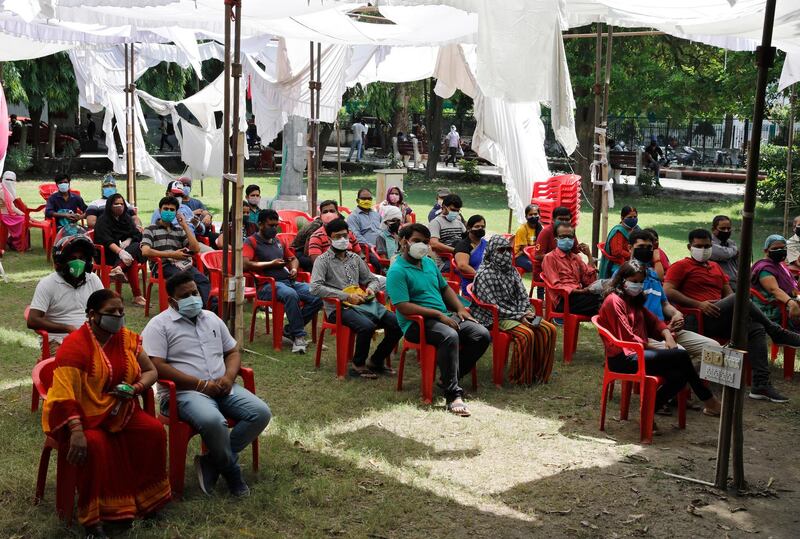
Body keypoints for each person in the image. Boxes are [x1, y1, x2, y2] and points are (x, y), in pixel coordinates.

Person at [42, 289, 170, 537]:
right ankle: (94, 520)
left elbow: (151, 371)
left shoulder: (125, 338)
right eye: (111, 312)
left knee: (153, 431)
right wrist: (77, 431)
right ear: (92, 315)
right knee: (95, 445)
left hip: (121, 409)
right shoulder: (75, 346)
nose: (118, 317)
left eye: (121, 311)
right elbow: (63, 394)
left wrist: (136, 387)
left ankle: (147, 502)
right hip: (83, 417)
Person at [142, 272, 271, 497]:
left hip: (223, 386)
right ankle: (232, 473)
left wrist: (229, 377)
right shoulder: (159, 325)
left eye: (195, 292)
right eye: (186, 295)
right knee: (214, 421)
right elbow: (156, 365)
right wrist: (201, 385)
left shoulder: (211, 318)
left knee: (260, 413)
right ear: (172, 301)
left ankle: (211, 461)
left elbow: (232, 351)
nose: (194, 298)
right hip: (184, 393)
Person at [664, 228, 800, 403]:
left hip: (719, 314)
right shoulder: (681, 266)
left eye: (707, 246)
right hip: (696, 317)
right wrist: (699, 304)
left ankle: (761, 384)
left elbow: (728, 294)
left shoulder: (715, 267)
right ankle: (776, 331)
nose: (703, 249)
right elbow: (668, 290)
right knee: (739, 297)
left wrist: (728, 305)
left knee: (754, 327)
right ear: (689, 246)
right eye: (699, 246)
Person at [598, 261, 722, 428]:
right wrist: (660, 347)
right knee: (681, 355)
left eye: (640, 282)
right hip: (624, 357)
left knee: (679, 375)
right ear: (622, 280)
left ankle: (647, 411)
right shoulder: (614, 301)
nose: (637, 285)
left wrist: (668, 337)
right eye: (633, 281)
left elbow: (655, 322)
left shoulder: (634, 300)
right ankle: (709, 400)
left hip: (640, 353)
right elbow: (628, 339)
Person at [386, 224, 491, 416]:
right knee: (449, 336)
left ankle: (448, 377)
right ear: (404, 242)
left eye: (426, 242)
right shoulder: (397, 271)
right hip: (415, 323)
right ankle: (453, 394)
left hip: (442, 316)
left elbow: (444, 289)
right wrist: (438, 315)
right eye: (417, 241)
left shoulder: (428, 263)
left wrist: (459, 308)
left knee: (481, 334)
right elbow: (402, 306)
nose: (423, 246)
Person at [310, 218, 403, 378]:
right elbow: (315, 287)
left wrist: (371, 290)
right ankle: (358, 364)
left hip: (362, 304)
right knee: (366, 326)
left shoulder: (355, 258)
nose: (342, 240)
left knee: (397, 323)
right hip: (339, 309)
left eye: (345, 235)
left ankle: (376, 360)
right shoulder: (322, 260)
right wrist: (346, 296)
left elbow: (372, 279)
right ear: (329, 238)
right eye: (338, 236)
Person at [628, 230, 717, 374]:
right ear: (630, 248)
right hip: (646, 334)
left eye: (649, 248)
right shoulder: (626, 278)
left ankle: (682, 384)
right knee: (680, 355)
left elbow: (664, 303)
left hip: (669, 329)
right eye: (641, 247)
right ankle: (679, 383)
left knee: (715, 349)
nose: (646, 251)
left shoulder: (652, 274)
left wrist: (676, 314)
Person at [471, 236, 557, 384]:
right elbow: (493, 306)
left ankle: (540, 374)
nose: (505, 254)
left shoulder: (512, 271)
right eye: (500, 250)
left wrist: (525, 311)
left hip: (516, 312)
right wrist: (520, 315)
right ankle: (519, 378)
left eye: (508, 250)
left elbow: (523, 295)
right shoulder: (484, 274)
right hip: (494, 317)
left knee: (549, 329)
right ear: (491, 251)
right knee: (526, 335)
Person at [243, 209, 323, 354]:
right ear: (260, 224)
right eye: (270, 226)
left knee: (317, 295)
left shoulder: (278, 241)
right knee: (290, 294)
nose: (274, 229)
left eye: (276, 226)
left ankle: (290, 330)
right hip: (267, 286)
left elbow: (293, 259)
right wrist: (270, 264)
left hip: (288, 281)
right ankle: (299, 336)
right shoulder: (251, 241)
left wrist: (293, 269)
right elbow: (245, 264)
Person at [28, 235, 104, 349]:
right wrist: (67, 328)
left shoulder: (93, 279)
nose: (78, 262)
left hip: (90, 338)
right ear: (61, 261)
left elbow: (104, 308)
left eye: (81, 258)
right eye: (72, 258)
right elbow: (33, 320)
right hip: (58, 340)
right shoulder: (48, 283)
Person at [141, 196, 210, 306]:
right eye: (166, 209)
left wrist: (185, 226)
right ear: (160, 210)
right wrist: (172, 254)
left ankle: (206, 309)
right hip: (162, 266)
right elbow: (145, 251)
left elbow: (196, 249)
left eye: (172, 210)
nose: (168, 212)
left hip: (182, 265)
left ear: (176, 212)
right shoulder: (150, 229)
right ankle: (187, 307)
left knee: (202, 280)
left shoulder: (179, 230)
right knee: (185, 280)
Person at [94, 193, 147, 305]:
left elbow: (136, 234)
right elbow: (106, 241)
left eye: (122, 204)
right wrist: (120, 251)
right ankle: (137, 296)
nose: (120, 206)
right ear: (110, 205)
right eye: (116, 204)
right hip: (108, 254)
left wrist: (128, 240)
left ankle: (118, 268)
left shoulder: (126, 218)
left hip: (126, 253)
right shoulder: (103, 220)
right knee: (132, 259)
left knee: (136, 246)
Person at [541, 221, 602, 316]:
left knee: (609, 297)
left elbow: (589, 281)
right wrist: (581, 291)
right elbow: (557, 286)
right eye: (562, 236)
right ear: (556, 239)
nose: (567, 239)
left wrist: (589, 256)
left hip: (580, 296)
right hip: (564, 300)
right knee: (603, 301)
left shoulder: (576, 258)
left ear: (574, 239)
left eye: (570, 237)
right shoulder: (550, 258)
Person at [533, 206, 590, 297]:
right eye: (560, 219)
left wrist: (588, 255)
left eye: (567, 219)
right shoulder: (546, 232)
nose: (564, 222)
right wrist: (558, 258)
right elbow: (537, 255)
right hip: (546, 269)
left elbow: (575, 251)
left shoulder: (569, 231)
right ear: (553, 219)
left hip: (567, 271)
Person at [751, 235, 800, 327]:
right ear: (766, 250)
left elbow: (794, 287)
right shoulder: (765, 269)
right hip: (773, 307)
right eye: (775, 248)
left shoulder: (780, 265)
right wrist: (791, 303)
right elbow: (774, 290)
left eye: (782, 248)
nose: (779, 251)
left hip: (791, 298)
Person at [292, 200, 340, 271]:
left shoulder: (339, 226)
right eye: (325, 212)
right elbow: (307, 252)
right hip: (300, 251)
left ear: (337, 214)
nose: (329, 214)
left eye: (332, 211)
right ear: (321, 215)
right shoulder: (316, 227)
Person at [599, 205, 640, 279]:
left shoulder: (636, 229)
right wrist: (632, 255)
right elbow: (617, 252)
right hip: (619, 263)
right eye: (630, 217)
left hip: (634, 260)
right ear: (622, 218)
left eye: (635, 217)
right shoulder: (618, 231)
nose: (633, 219)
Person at [428, 193, 466, 270]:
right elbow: (434, 244)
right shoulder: (436, 222)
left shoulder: (458, 222)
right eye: (453, 210)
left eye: (457, 211)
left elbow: (468, 238)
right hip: (445, 262)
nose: (455, 213)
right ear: (444, 207)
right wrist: (455, 251)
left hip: (460, 257)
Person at [453, 214, 487, 295]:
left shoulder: (486, 244)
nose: (480, 229)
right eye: (477, 226)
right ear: (469, 228)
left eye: (482, 227)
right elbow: (462, 266)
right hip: (472, 285)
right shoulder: (463, 245)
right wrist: (481, 278)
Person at [178, 176, 217, 245]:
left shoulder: (197, 202)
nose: (185, 187)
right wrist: (192, 213)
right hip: (188, 234)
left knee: (222, 239)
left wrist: (208, 216)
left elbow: (206, 212)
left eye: (188, 185)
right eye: (183, 185)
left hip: (203, 232)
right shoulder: (178, 203)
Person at [710, 215, 739, 291]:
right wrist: (735, 250)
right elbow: (725, 254)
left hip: (736, 283)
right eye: (722, 228)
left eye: (728, 228)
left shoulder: (730, 242)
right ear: (713, 229)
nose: (726, 231)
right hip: (721, 286)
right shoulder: (708, 243)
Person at [0, 170, 27, 251]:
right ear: (2, 179)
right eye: (7, 180)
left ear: (14, 181)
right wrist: (24, 214)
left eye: (11, 180)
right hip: (4, 216)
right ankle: (17, 245)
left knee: (24, 219)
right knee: (23, 221)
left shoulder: (5, 188)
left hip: (8, 214)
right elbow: (12, 208)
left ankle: (12, 241)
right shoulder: (2, 190)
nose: (9, 182)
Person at [512, 203, 542, 272]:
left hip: (533, 253)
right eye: (530, 215)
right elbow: (525, 249)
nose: (533, 216)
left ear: (539, 216)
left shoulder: (541, 228)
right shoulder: (522, 229)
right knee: (533, 265)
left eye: (535, 214)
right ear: (526, 217)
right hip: (519, 255)